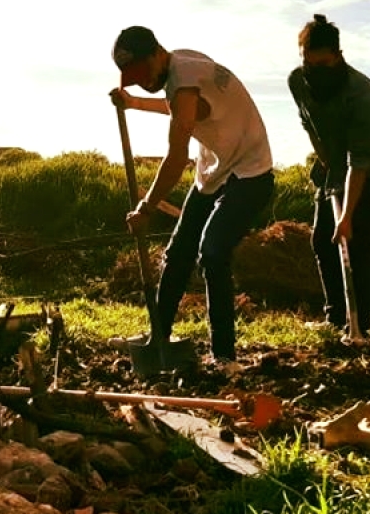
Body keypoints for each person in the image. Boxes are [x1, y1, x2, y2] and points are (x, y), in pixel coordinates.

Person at [109, 26, 275, 372]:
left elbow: (174, 159)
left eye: (142, 74)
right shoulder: (181, 64)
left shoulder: (183, 76)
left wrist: (146, 207)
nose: (141, 81)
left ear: (156, 53)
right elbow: (185, 109)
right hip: (214, 171)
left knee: (212, 253)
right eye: (133, 80)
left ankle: (225, 357)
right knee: (177, 254)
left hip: (249, 173)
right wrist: (135, 103)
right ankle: (158, 336)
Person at [288, 14, 370, 339]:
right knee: (322, 241)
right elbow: (311, 127)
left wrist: (347, 215)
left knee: (355, 243)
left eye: (323, 65)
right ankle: (335, 316)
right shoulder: (297, 81)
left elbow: (360, 159)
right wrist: (327, 169)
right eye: (309, 64)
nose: (314, 72)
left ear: (337, 57)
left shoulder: (360, 91)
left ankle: (359, 324)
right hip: (335, 167)